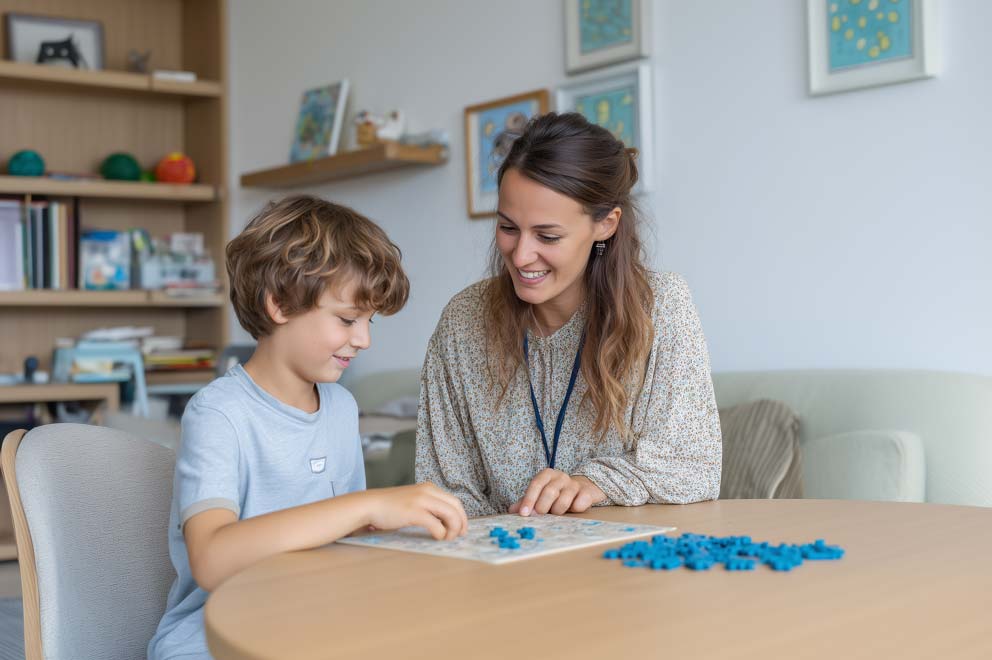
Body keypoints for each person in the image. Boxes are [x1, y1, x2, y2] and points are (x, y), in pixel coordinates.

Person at [149, 195, 467, 660]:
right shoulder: (218, 413)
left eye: (369, 321)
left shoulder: (340, 406)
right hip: (211, 635)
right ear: (279, 304)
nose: (364, 340)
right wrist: (370, 504)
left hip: (316, 617)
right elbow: (212, 560)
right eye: (347, 320)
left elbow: (347, 541)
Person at [416, 112, 722, 518]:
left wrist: (592, 483)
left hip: (626, 570)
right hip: (499, 571)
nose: (521, 255)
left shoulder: (661, 307)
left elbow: (694, 468)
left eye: (548, 236)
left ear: (606, 224)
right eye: (508, 227)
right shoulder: (462, 322)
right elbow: (444, 492)